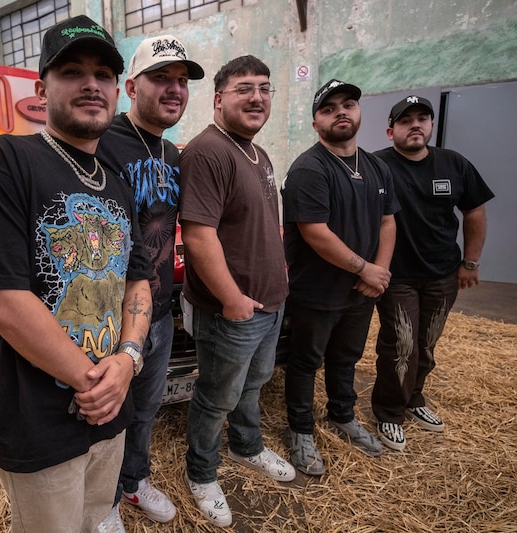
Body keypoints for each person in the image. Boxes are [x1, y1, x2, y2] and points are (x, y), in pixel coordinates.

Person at [0, 34, 206, 530]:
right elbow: (1, 300)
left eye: (102, 75)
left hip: (111, 400)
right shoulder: (2, 163)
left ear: (116, 90)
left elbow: (137, 275)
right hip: (40, 415)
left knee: (99, 516)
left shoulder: (115, 178)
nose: (91, 85)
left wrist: (127, 362)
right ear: (40, 91)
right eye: (71, 72)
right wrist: (96, 384)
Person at [178, 55, 295, 528]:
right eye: (244, 88)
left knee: (253, 383)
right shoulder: (208, 151)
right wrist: (232, 300)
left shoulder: (256, 152)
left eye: (265, 88)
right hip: (234, 311)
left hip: (269, 303)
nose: (257, 97)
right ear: (219, 98)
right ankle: (201, 472)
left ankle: (247, 447)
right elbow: (198, 236)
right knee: (215, 396)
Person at [280, 79, 399, 476]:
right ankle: (299, 430)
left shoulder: (377, 166)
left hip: (362, 290)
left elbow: (387, 222)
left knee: (346, 357)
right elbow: (316, 233)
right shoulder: (309, 168)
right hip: (317, 291)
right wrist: (366, 269)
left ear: (361, 112)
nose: (341, 112)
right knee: (305, 361)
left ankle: (342, 416)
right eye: (329, 108)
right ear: (316, 122)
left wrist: (377, 275)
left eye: (348, 104)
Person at [371, 96, 494, 451]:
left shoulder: (454, 164)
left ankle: (414, 397)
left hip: (442, 274)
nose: (416, 125)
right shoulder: (378, 166)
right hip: (397, 277)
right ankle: (389, 413)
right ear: (391, 129)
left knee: (426, 343)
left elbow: (474, 212)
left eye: (422, 118)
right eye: (406, 120)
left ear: (431, 125)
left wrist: (470, 263)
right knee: (402, 344)